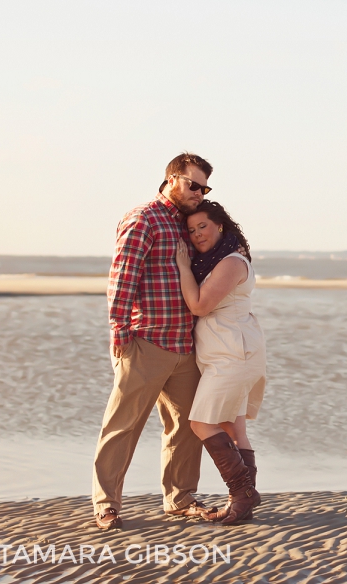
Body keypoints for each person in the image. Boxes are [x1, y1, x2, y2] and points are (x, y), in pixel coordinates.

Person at [92, 153, 218, 530]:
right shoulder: (143, 217)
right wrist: (119, 331)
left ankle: (180, 499)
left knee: (187, 426)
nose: (199, 193)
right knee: (122, 426)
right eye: (193, 185)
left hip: (184, 345)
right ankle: (106, 504)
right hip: (145, 342)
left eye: (204, 187)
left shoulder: (187, 224)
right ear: (172, 179)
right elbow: (122, 276)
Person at [175, 200, 267, 525]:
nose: (198, 234)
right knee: (232, 427)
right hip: (229, 352)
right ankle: (242, 504)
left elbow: (199, 305)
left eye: (204, 226)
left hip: (234, 354)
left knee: (201, 423)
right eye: (191, 230)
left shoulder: (230, 262)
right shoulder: (217, 260)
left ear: (220, 226)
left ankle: (242, 492)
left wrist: (184, 268)